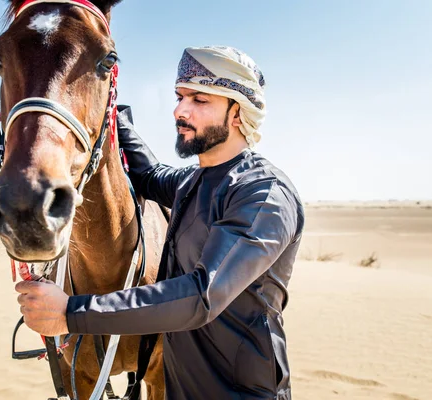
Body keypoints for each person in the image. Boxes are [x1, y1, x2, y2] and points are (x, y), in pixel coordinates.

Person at [16, 45, 304, 400]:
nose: (180, 110)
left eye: (200, 100)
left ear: (237, 112)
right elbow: (149, 173)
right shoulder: (192, 182)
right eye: (180, 96)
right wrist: (108, 108)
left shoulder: (263, 194)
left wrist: (71, 313)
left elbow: (202, 295)